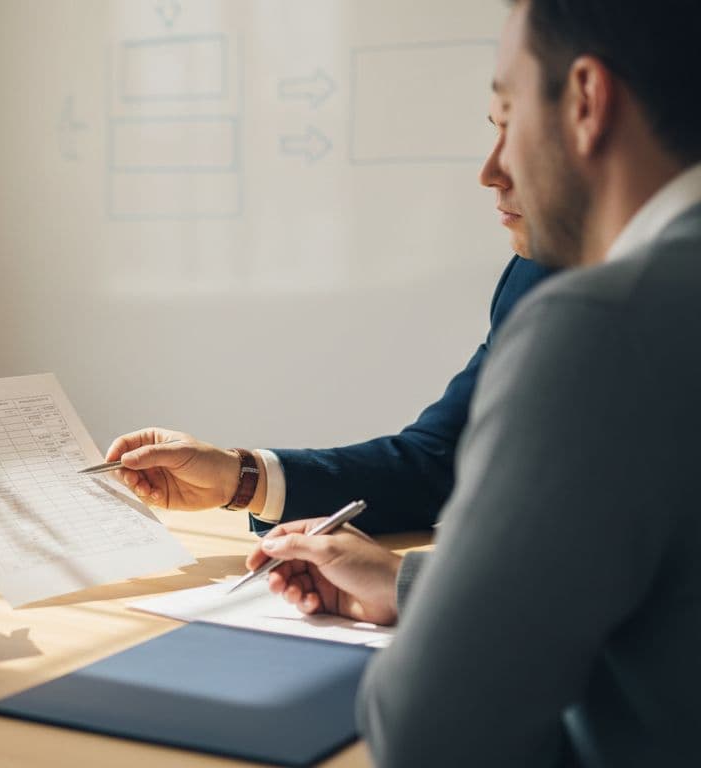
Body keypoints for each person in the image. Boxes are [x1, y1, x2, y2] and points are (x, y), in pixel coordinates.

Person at [245, 0, 701, 764]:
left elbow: (433, 737)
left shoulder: (604, 326)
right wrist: (412, 586)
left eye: (506, 116)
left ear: (587, 101)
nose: (492, 169)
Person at [105, 133, 556, 536]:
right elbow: (437, 462)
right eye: (497, 129)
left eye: (521, 133)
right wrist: (238, 478)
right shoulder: (533, 272)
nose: (489, 173)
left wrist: (400, 588)